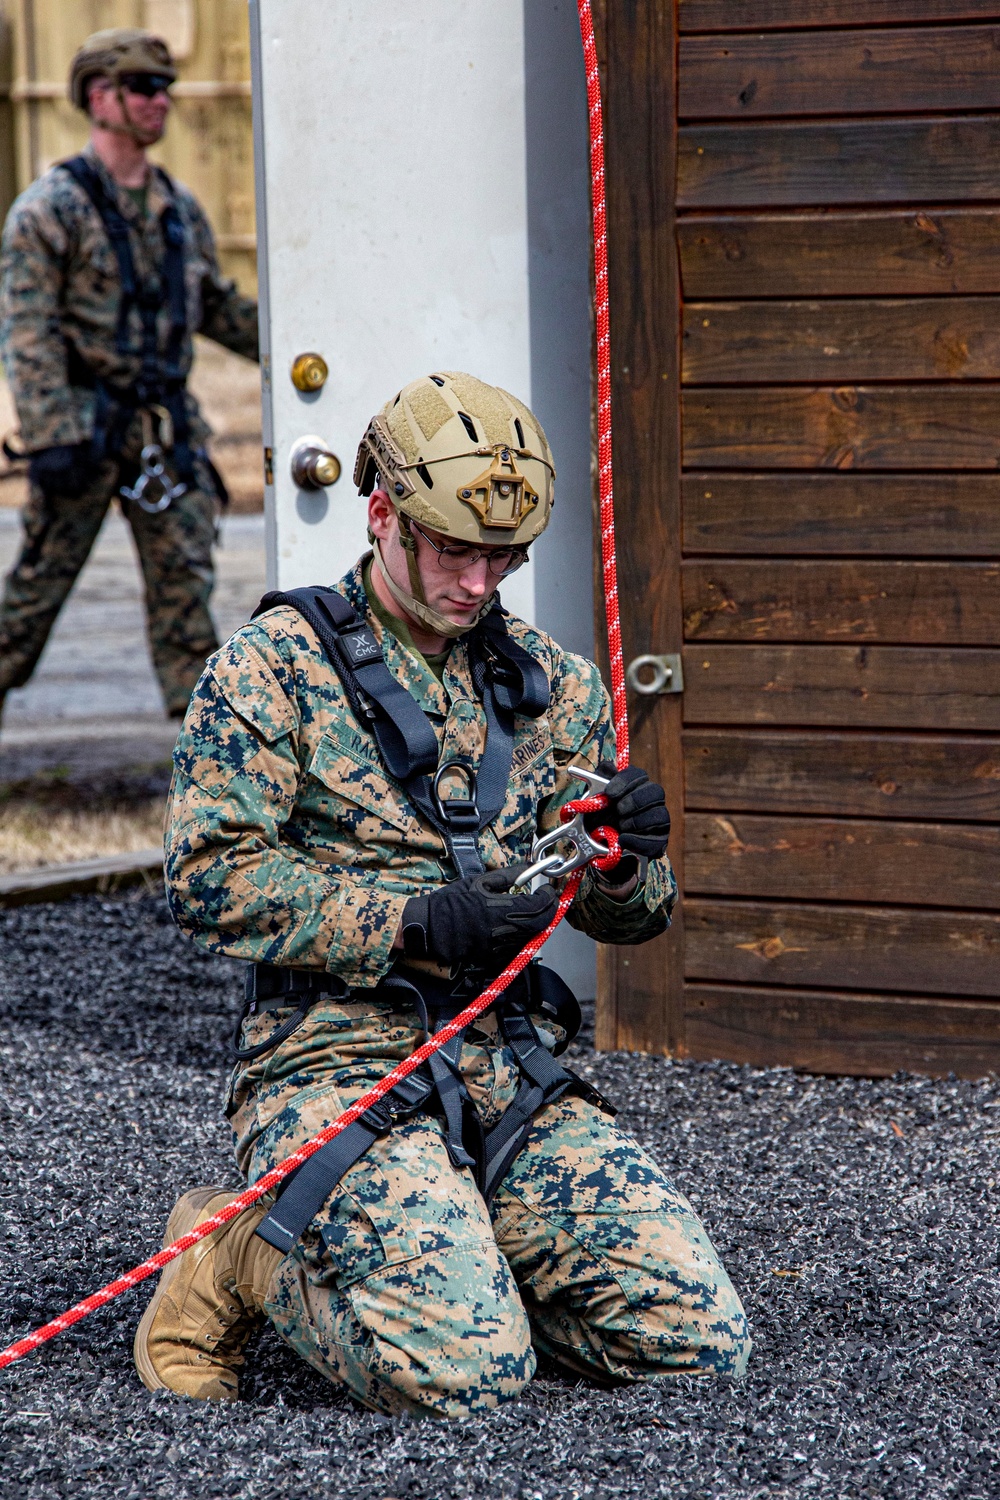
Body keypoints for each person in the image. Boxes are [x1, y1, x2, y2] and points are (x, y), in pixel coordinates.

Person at [136, 372, 750, 1416]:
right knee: (462, 1379)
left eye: (501, 558)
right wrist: (410, 920)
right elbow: (207, 880)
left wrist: (626, 863)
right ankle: (238, 1250)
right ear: (383, 516)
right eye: (454, 552)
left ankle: (462, 1264)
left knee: (697, 1345)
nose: (478, 582)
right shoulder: (273, 670)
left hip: (502, 1062)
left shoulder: (549, 684)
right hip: (334, 1059)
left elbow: (636, 917)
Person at [0, 28, 259, 727]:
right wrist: (53, 435)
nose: (161, 101)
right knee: (27, 607)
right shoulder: (50, 210)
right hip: (82, 434)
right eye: (144, 87)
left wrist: (303, 347)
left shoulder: (177, 209)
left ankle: (208, 775)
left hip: (163, 437)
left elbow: (216, 308)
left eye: (165, 88)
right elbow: (29, 332)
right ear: (99, 96)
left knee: (186, 604)